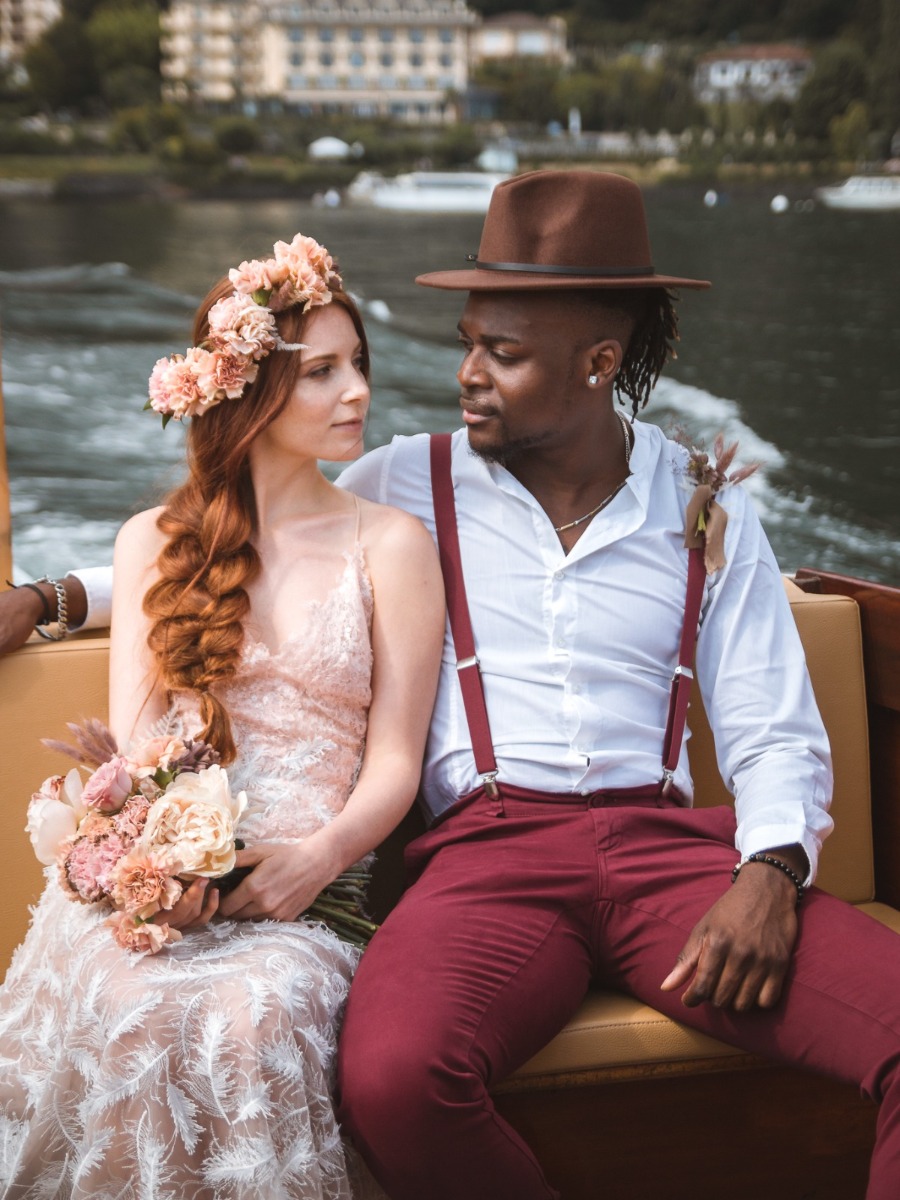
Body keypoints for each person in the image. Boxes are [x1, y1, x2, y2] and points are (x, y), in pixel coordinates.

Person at [3, 171, 900, 1199]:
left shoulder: (706, 506)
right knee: (391, 1080)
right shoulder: (403, 483)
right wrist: (50, 596)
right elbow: (242, 545)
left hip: (670, 862)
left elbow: (770, 724)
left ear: (599, 363)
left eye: (502, 354)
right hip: (486, 861)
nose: (464, 373)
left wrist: (772, 874)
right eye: (469, 339)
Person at [0, 234, 444, 1198]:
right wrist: (157, 873)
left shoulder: (393, 545)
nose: (358, 390)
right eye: (322, 371)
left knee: (254, 1012)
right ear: (246, 391)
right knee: (122, 995)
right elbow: (141, 753)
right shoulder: (150, 545)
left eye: (358, 364)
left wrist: (317, 859)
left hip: (314, 892)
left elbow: (395, 763)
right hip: (173, 891)